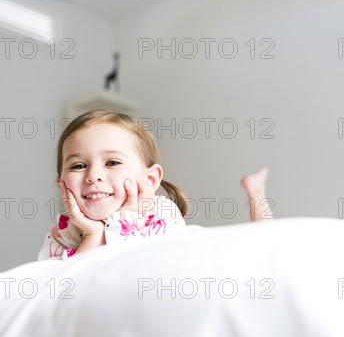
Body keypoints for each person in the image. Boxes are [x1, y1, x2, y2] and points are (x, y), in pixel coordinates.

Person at [38, 110, 273, 260]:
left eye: (112, 162)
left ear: (149, 180)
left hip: (205, 255)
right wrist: (93, 234)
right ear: (61, 184)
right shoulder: (61, 236)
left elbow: (132, 268)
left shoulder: (161, 215)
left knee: (264, 248)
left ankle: (256, 192)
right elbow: (64, 293)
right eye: (78, 166)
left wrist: (126, 217)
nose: (93, 176)